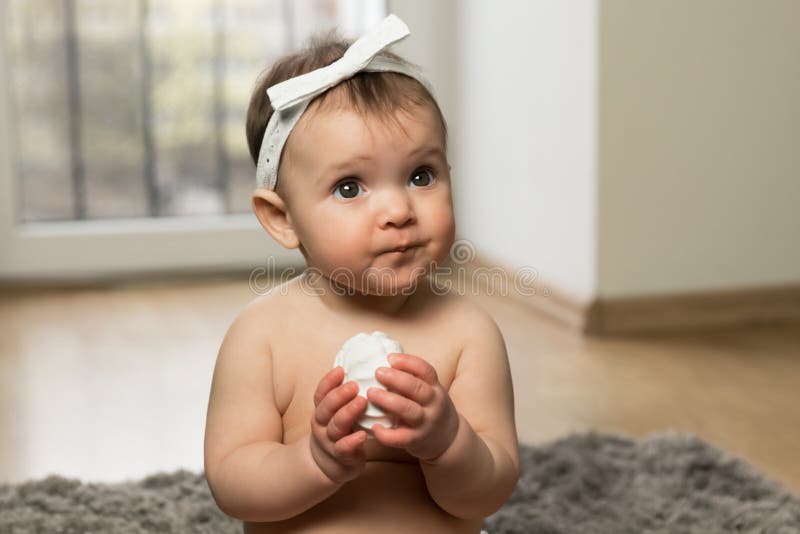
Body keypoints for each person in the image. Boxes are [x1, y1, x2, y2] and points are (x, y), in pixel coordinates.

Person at [204, 14, 519, 534]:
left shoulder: (468, 333)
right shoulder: (260, 337)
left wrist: (448, 443)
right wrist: (314, 461)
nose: (398, 210)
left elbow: (488, 490)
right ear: (283, 219)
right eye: (349, 187)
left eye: (421, 176)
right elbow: (233, 484)